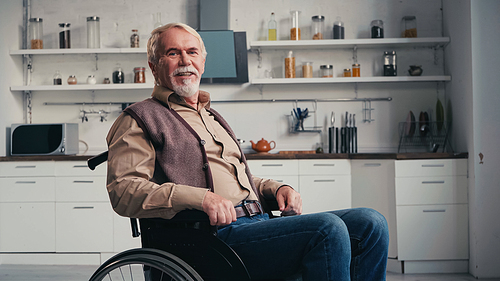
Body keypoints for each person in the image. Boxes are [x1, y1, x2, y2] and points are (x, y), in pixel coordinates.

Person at [106, 22, 389, 281]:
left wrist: (275, 187)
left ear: (203, 62)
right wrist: (200, 198)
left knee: (370, 224)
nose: (185, 61)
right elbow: (124, 191)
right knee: (327, 229)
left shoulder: (212, 117)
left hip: (257, 223)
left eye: (192, 52)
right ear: (154, 66)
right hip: (209, 239)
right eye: (172, 53)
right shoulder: (139, 118)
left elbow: (235, 180)